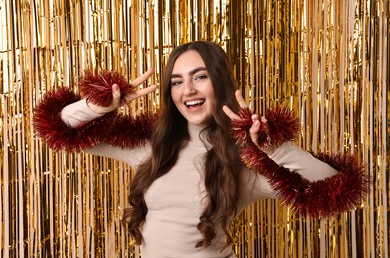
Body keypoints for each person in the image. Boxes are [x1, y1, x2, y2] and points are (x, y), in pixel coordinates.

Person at [33, 41, 368, 257]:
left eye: (200, 77)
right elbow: (59, 130)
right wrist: (99, 106)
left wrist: (274, 148)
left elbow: (336, 189)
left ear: (220, 83)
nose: (187, 89)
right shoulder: (150, 143)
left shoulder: (244, 157)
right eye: (177, 81)